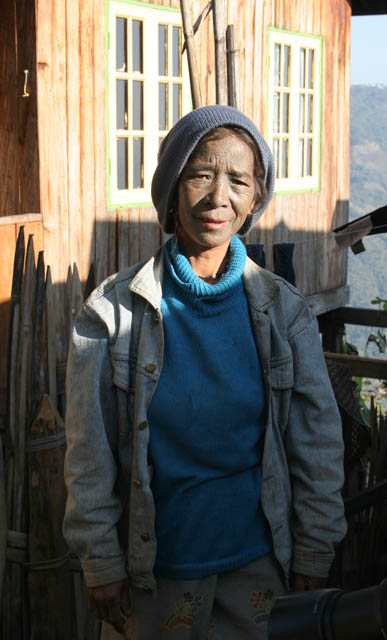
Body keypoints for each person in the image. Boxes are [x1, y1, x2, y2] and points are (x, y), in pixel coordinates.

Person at [63, 105, 347, 640]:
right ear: (172, 189)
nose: (219, 197)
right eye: (200, 175)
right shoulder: (112, 314)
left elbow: (317, 442)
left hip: (259, 567)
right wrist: (99, 558)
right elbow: (88, 453)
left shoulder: (284, 313)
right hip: (154, 574)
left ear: (256, 198)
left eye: (238, 180)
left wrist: (315, 546)